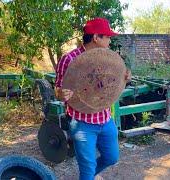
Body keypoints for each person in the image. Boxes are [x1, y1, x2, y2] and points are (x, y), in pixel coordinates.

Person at [55, 17, 131, 180]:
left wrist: (124, 76)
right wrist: (61, 94)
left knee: (112, 158)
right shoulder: (69, 59)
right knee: (87, 169)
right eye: (107, 37)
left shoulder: (108, 58)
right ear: (96, 37)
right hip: (82, 124)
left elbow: (112, 82)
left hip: (105, 119)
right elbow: (59, 89)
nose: (110, 41)